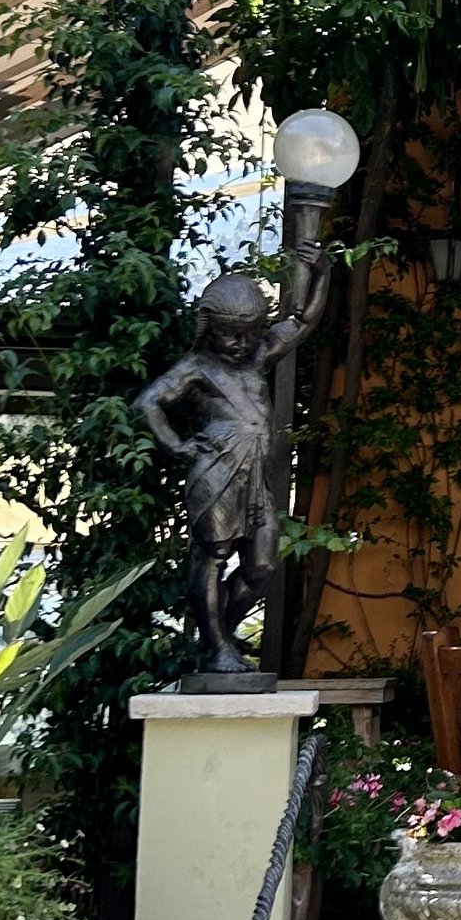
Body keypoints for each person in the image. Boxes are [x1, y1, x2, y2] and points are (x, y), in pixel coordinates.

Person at [136, 262, 332, 675]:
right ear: (208, 327)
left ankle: (216, 635)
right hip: (217, 472)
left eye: (250, 333)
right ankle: (218, 646)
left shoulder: (258, 356)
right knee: (214, 555)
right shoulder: (196, 368)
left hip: (257, 479)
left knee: (262, 565)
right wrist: (177, 445)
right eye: (230, 333)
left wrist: (320, 270)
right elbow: (148, 402)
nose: (241, 343)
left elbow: (301, 320)